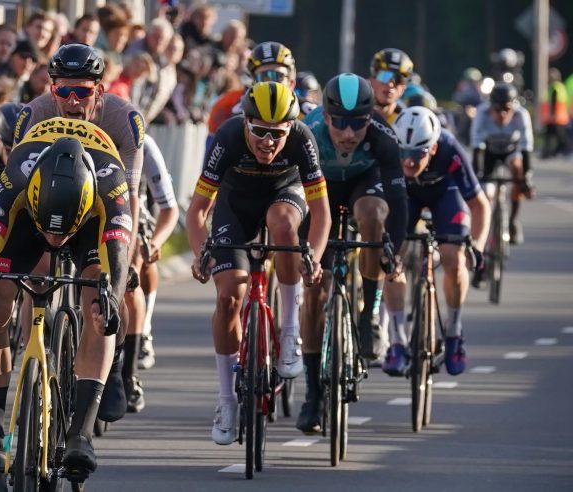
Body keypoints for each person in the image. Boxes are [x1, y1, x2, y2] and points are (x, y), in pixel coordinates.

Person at [0, 118, 131, 489]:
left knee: (98, 302)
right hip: (27, 219)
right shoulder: (17, 176)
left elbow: (117, 257)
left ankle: (82, 432)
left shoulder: (111, 186)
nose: (55, 239)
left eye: (61, 232)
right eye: (50, 231)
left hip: (88, 225)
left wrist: (113, 299)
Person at [188, 81, 329, 445]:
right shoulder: (228, 136)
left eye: (277, 134)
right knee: (228, 297)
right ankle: (226, 401)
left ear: (290, 129)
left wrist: (311, 254)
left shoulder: (302, 139)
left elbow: (322, 213)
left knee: (282, 223)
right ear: (245, 122)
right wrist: (200, 250)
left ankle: (290, 331)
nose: (268, 141)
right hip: (236, 205)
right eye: (259, 131)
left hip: (285, 195)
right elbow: (198, 210)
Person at [14, 42, 146, 425]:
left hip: (102, 210)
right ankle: (33, 361)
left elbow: (130, 200)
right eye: (63, 91)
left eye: (83, 92)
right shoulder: (33, 115)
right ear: (51, 89)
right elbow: (16, 192)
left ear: (99, 92)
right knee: (36, 274)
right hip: (44, 208)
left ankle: (113, 362)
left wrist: (129, 255)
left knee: (101, 288)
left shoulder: (125, 120)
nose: (73, 101)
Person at [295, 73, 407, 434]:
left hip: (363, 186)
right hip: (320, 194)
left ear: (370, 117)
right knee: (314, 294)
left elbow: (399, 202)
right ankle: (313, 392)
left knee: (374, 215)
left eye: (358, 122)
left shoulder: (383, 138)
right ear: (325, 117)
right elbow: (291, 196)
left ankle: (369, 313)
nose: (348, 133)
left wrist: (394, 249)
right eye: (339, 122)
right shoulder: (307, 135)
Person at [383, 106, 489, 377]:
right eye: (403, 152)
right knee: (391, 259)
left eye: (416, 153)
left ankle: (454, 331)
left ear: (431, 149)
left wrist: (476, 246)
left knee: (453, 256)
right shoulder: (392, 150)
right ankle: (396, 341)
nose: (408, 161)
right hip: (407, 195)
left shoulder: (450, 150)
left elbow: (480, 206)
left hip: (445, 194)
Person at [123, 133, 179, 404]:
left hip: (135, 208)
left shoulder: (142, 143)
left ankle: (141, 331)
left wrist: (154, 242)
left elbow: (169, 208)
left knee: (139, 259)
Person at [470, 83, 534, 245]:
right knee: (486, 192)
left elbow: (526, 148)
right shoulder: (481, 114)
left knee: (518, 170)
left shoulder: (521, 115)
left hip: (510, 151)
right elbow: (477, 148)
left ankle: (512, 221)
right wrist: (478, 177)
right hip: (489, 151)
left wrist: (525, 179)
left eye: (507, 109)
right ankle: (487, 223)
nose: (502, 114)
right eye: (498, 109)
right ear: (490, 106)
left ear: (514, 107)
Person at [369, 48, 413, 123]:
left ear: (404, 87)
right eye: (384, 76)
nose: (390, 84)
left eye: (398, 79)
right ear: (372, 79)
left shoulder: (409, 122)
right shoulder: (354, 115)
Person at [541, 68, 570, 158]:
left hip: (556, 118)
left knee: (560, 139)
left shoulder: (554, 88)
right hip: (557, 118)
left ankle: (552, 153)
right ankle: (548, 154)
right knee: (549, 137)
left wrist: (552, 115)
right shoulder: (559, 87)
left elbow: (554, 102)